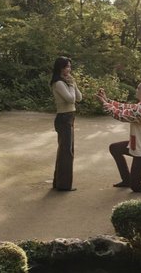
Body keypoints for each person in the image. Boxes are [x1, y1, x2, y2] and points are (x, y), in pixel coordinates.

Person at [96, 80, 141, 192]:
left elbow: (120, 115)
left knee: (136, 187)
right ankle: (126, 180)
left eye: (138, 88)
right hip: (138, 145)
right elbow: (125, 107)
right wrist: (107, 100)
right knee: (115, 148)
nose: (136, 89)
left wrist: (104, 103)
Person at [50, 56, 82, 191]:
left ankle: (59, 183)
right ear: (59, 68)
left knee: (66, 151)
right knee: (66, 152)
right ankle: (63, 185)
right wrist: (70, 85)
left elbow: (79, 98)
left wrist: (73, 84)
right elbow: (70, 99)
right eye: (65, 67)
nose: (68, 69)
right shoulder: (58, 83)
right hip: (64, 118)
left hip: (70, 117)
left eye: (69, 66)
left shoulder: (67, 82)